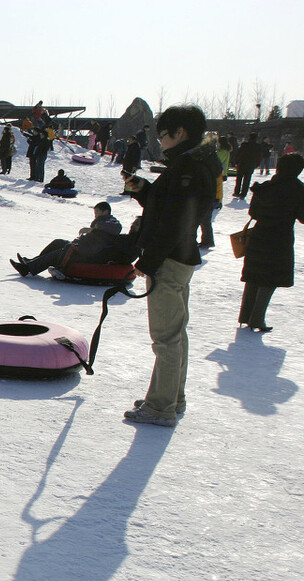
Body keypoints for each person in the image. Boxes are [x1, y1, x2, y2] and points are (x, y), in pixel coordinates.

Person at [121, 105, 222, 426]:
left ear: (180, 133)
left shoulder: (187, 168)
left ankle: (161, 406)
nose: (160, 141)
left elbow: (176, 221)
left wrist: (148, 261)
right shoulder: (192, 164)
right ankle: (171, 398)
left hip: (169, 258)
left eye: (162, 134)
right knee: (176, 334)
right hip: (179, 257)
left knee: (166, 338)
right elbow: (172, 209)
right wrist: (145, 190)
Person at [237, 152, 304, 332]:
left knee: (253, 276)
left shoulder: (266, 186)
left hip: (259, 237)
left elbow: (254, 213)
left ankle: (245, 316)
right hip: (280, 240)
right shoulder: (298, 189)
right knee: (269, 279)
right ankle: (257, 319)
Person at [11, 202, 136, 276]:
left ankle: (27, 269)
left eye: (98, 212)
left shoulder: (111, 220)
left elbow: (116, 228)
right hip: (85, 246)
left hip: (90, 252)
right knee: (58, 242)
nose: (96, 215)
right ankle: (31, 261)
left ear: (106, 211)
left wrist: (92, 229)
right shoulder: (102, 220)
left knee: (61, 251)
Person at [234, 133, 261, 199]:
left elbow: (239, 154)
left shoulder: (244, 145)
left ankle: (237, 192)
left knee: (239, 179)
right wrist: (256, 164)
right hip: (251, 165)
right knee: (247, 180)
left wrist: (236, 162)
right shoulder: (258, 146)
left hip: (242, 164)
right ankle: (243, 194)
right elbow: (259, 157)